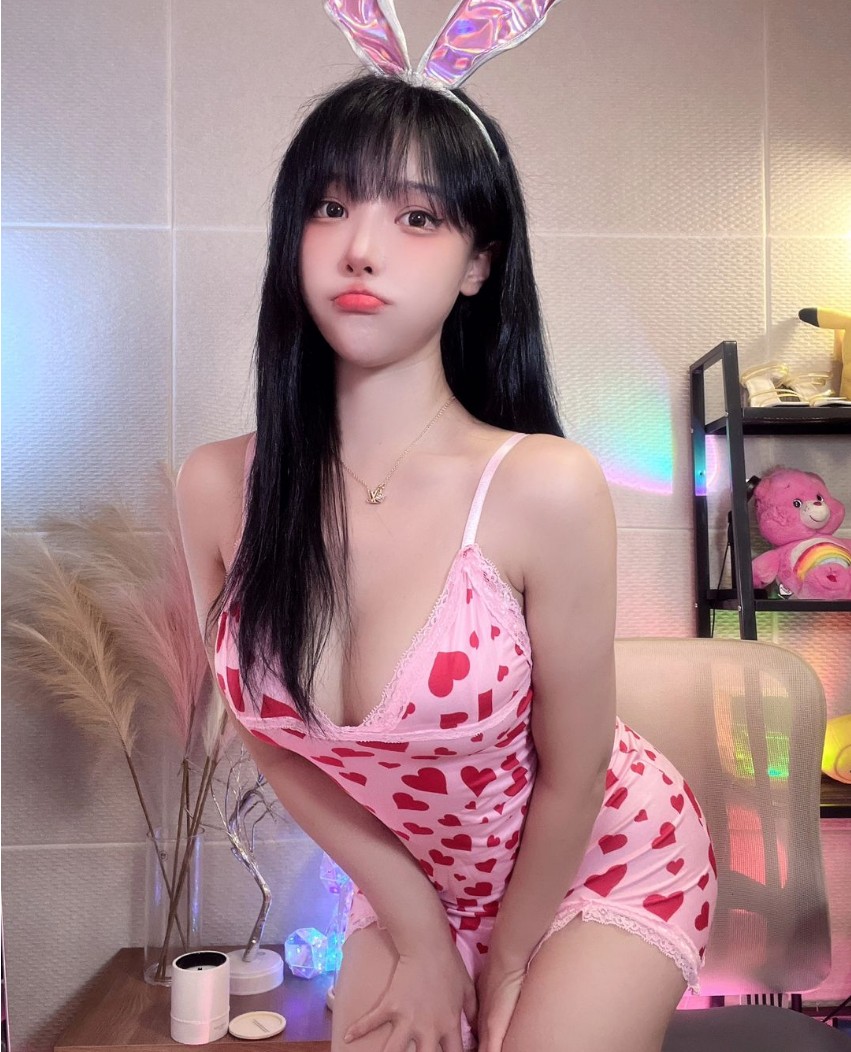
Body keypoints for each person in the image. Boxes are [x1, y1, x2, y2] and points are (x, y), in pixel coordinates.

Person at [177, 10, 717, 1052]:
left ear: (477, 263)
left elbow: (575, 767)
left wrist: (501, 962)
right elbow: (270, 738)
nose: (361, 246)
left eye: (417, 217)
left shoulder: (542, 485)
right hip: (409, 885)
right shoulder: (216, 487)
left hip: (597, 859)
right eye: (331, 206)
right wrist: (423, 932)